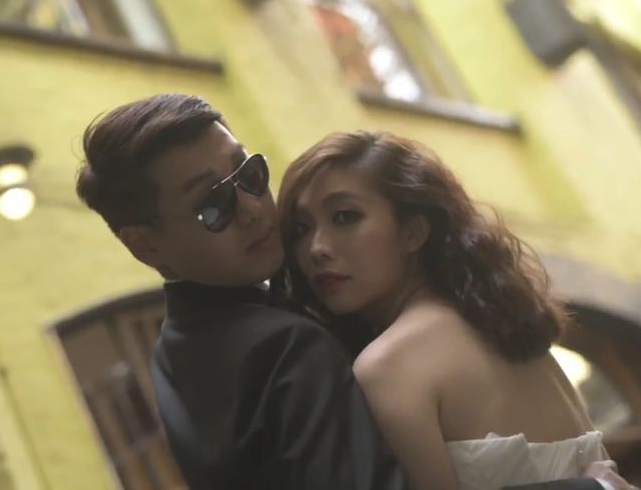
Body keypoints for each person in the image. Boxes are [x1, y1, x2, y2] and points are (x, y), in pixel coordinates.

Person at [75, 93, 628, 490]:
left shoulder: (177, 351)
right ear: (145, 245)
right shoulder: (287, 345)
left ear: (414, 229)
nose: (253, 209)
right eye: (212, 205)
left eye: (249, 175)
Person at [276, 131, 632, 490]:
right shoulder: (515, 334)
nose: (317, 248)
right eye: (301, 228)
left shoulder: (388, 365)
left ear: (413, 231)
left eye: (345, 217)